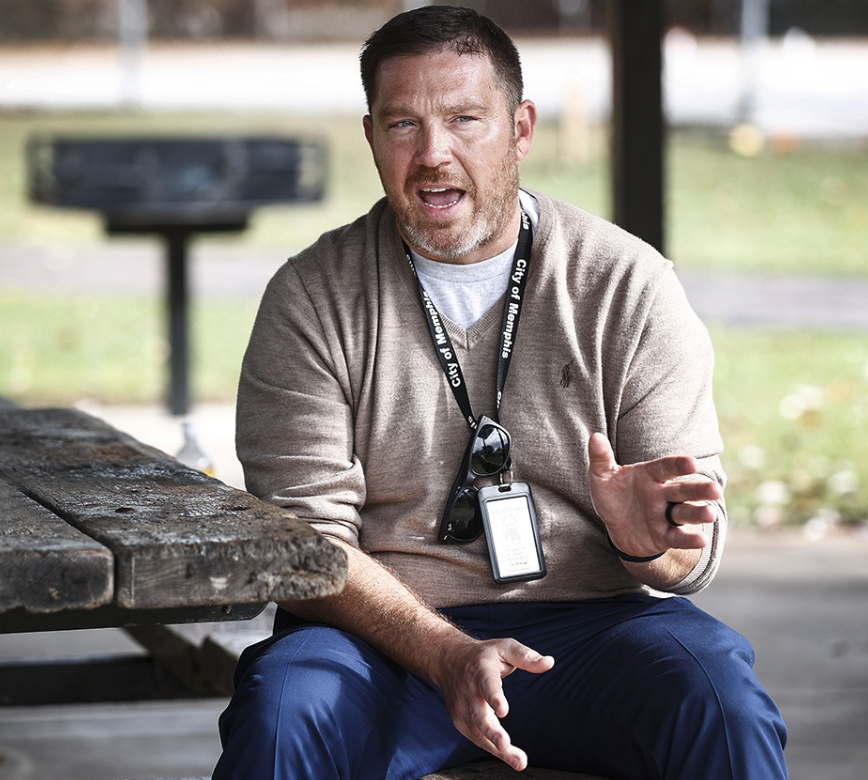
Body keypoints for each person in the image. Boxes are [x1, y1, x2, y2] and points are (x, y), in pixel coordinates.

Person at [213, 6, 788, 779]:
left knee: (720, 699)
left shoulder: (626, 284)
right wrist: (445, 654)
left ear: (520, 129)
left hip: (593, 629)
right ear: (372, 136)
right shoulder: (313, 297)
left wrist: (650, 545)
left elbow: (693, 548)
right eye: (403, 125)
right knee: (285, 707)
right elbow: (308, 549)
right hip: (383, 640)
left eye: (464, 120)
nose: (433, 154)